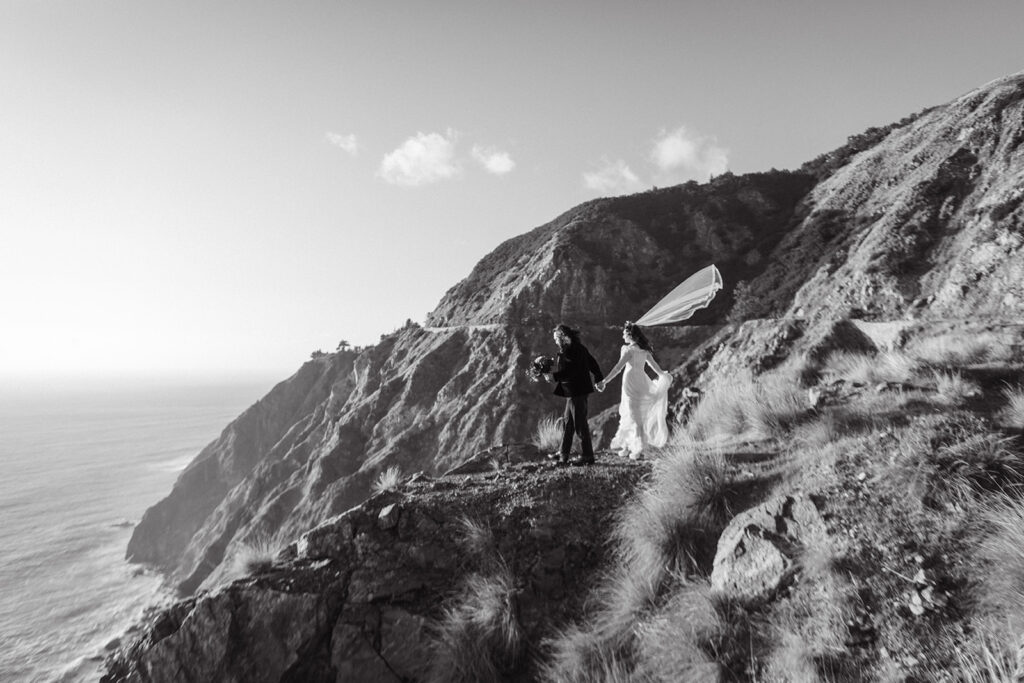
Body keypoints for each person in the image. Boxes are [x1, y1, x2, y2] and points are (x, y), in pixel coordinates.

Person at [595, 322, 671, 460]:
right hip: (641, 381)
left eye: (624, 333)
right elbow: (655, 367)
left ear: (630, 335)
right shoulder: (644, 350)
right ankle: (628, 446)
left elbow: (618, 368)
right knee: (634, 414)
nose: (622, 335)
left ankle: (638, 448)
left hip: (630, 383)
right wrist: (663, 375)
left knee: (633, 415)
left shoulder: (629, 350)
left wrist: (604, 381)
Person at [544, 324, 604, 466]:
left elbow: (572, 372)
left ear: (563, 337)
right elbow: (592, 363)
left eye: (556, 338)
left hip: (577, 392)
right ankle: (563, 454)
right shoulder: (578, 349)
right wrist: (598, 377)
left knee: (580, 424)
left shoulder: (572, 351)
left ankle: (588, 456)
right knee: (568, 423)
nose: (555, 341)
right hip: (574, 392)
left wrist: (554, 377)